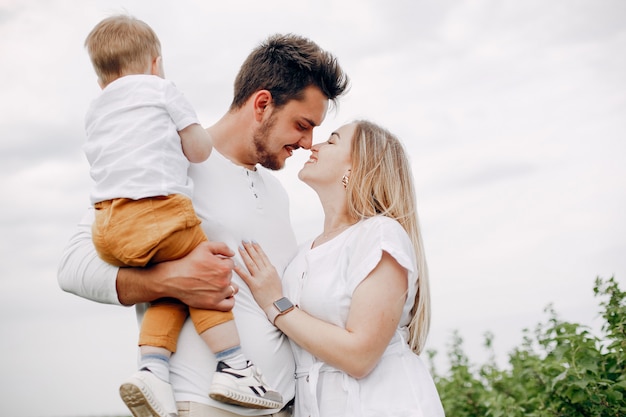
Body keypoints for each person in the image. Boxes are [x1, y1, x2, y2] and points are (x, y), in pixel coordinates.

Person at [58, 30, 349, 417]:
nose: (309, 141)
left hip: (282, 407)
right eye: (302, 124)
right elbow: (72, 266)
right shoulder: (167, 159)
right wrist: (165, 282)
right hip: (202, 406)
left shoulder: (277, 193)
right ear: (262, 103)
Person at [82, 14, 285, 414]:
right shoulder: (161, 91)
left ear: (100, 78)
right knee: (208, 270)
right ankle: (234, 365)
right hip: (157, 212)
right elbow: (199, 149)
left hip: (108, 223)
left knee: (175, 290)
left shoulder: (96, 110)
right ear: (156, 63)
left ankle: (152, 371)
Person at [236, 120, 446, 417]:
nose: (313, 145)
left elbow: (360, 356)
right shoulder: (301, 254)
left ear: (356, 168)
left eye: (332, 141)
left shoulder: (380, 234)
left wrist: (276, 304)